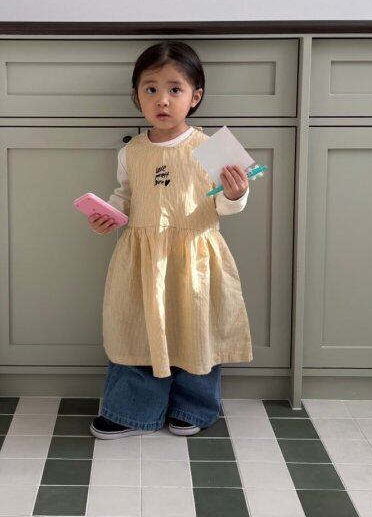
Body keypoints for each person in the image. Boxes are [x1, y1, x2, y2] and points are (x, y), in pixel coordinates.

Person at [86, 40, 254, 439]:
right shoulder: (132, 151)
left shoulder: (212, 148)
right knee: (136, 329)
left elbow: (228, 205)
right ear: (137, 97)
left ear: (194, 97)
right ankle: (131, 410)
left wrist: (236, 194)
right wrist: (108, 216)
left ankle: (193, 406)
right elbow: (126, 196)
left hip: (194, 256)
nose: (162, 100)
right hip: (142, 258)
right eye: (151, 89)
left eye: (174, 89)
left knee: (196, 328)